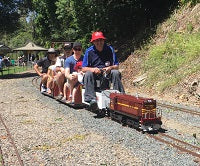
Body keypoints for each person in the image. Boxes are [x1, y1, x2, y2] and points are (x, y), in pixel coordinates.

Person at [82, 31, 125, 109]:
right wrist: (93, 69)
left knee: (115, 72)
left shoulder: (110, 49)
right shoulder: (89, 51)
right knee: (88, 74)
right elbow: (83, 69)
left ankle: (120, 96)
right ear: (93, 42)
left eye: (100, 40)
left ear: (103, 40)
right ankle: (91, 99)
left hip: (107, 73)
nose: (99, 42)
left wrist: (110, 68)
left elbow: (116, 66)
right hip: (94, 74)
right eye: (97, 40)